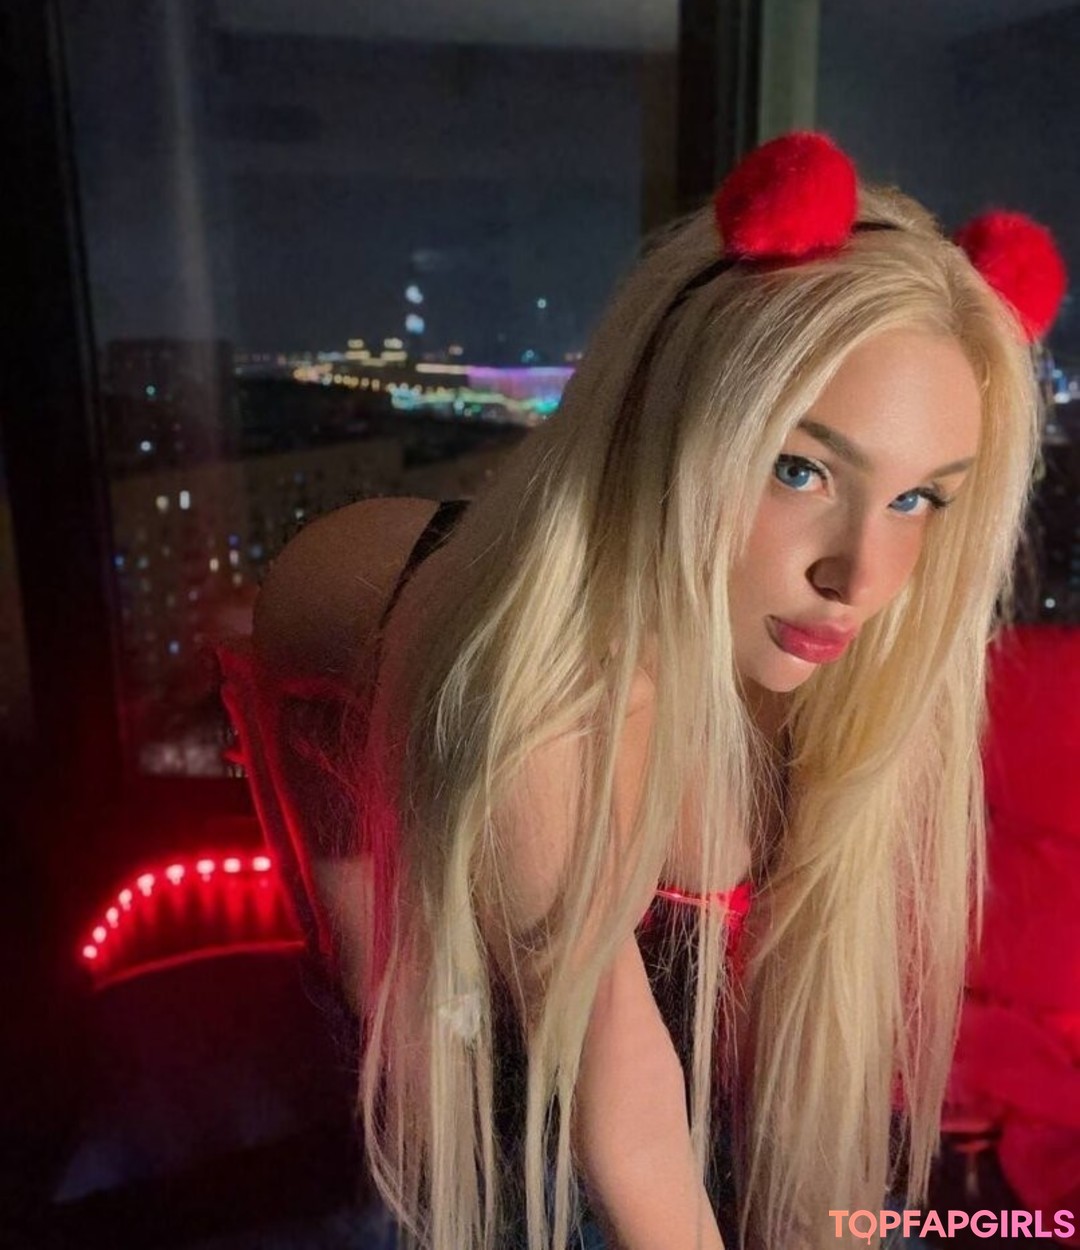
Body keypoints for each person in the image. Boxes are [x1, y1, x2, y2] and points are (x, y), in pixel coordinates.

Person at [251, 132, 1065, 1250]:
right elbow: (628, 1108)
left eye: (918, 499)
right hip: (361, 651)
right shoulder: (553, 694)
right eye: (799, 468)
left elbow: (793, 1072)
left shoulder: (831, 663)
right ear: (674, 426)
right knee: (422, 1020)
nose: (860, 577)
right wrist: (373, 956)